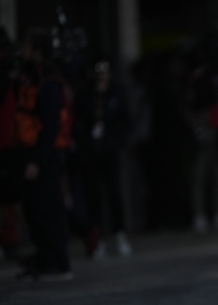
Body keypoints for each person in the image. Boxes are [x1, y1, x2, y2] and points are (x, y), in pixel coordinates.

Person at [14, 28, 72, 280]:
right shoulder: (30, 77)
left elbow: (50, 126)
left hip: (44, 156)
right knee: (33, 211)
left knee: (48, 211)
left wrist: (38, 159)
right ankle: (44, 259)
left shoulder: (49, 81)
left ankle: (58, 264)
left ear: (37, 51)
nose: (20, 52)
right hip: (28, 152)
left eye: (25, 47)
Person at [74, 57, 132, 258]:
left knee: (115, 194)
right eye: (99, 71)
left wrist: (116, 142)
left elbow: (126, 123)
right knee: (93, 197)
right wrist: (84, 143)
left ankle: (120, 235)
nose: (102, 75)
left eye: (105, 71)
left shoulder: (117, 94)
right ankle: (96, 238)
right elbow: (78, 122)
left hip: (110, 152)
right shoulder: (86, 95)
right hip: (91, 153)